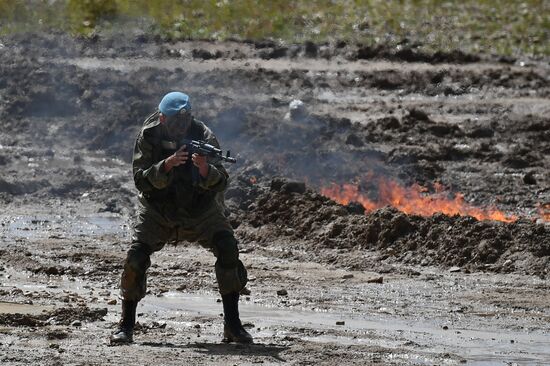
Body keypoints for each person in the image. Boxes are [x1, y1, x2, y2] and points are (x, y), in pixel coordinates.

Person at [110, 92, 252, 345]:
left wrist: (205, 169)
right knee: (136, 258)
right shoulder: (149, 135)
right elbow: (140, 180)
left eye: (184, 122)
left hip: (201, 209)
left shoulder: (203, 135)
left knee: (228, 249)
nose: (180, 128)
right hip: (159, 210)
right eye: (175, 122)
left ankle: (233, 325)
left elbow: (222, 181)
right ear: (163, 118)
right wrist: (167, 164)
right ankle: (126, 325)